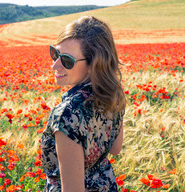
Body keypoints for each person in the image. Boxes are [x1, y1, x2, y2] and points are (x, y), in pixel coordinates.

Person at [41, 16, 126, 192]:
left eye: (67, 60)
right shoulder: (113, 93)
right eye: (55, 54)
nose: (55, 66)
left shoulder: (66, 114)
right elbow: (115, 149)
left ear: (92, 65)